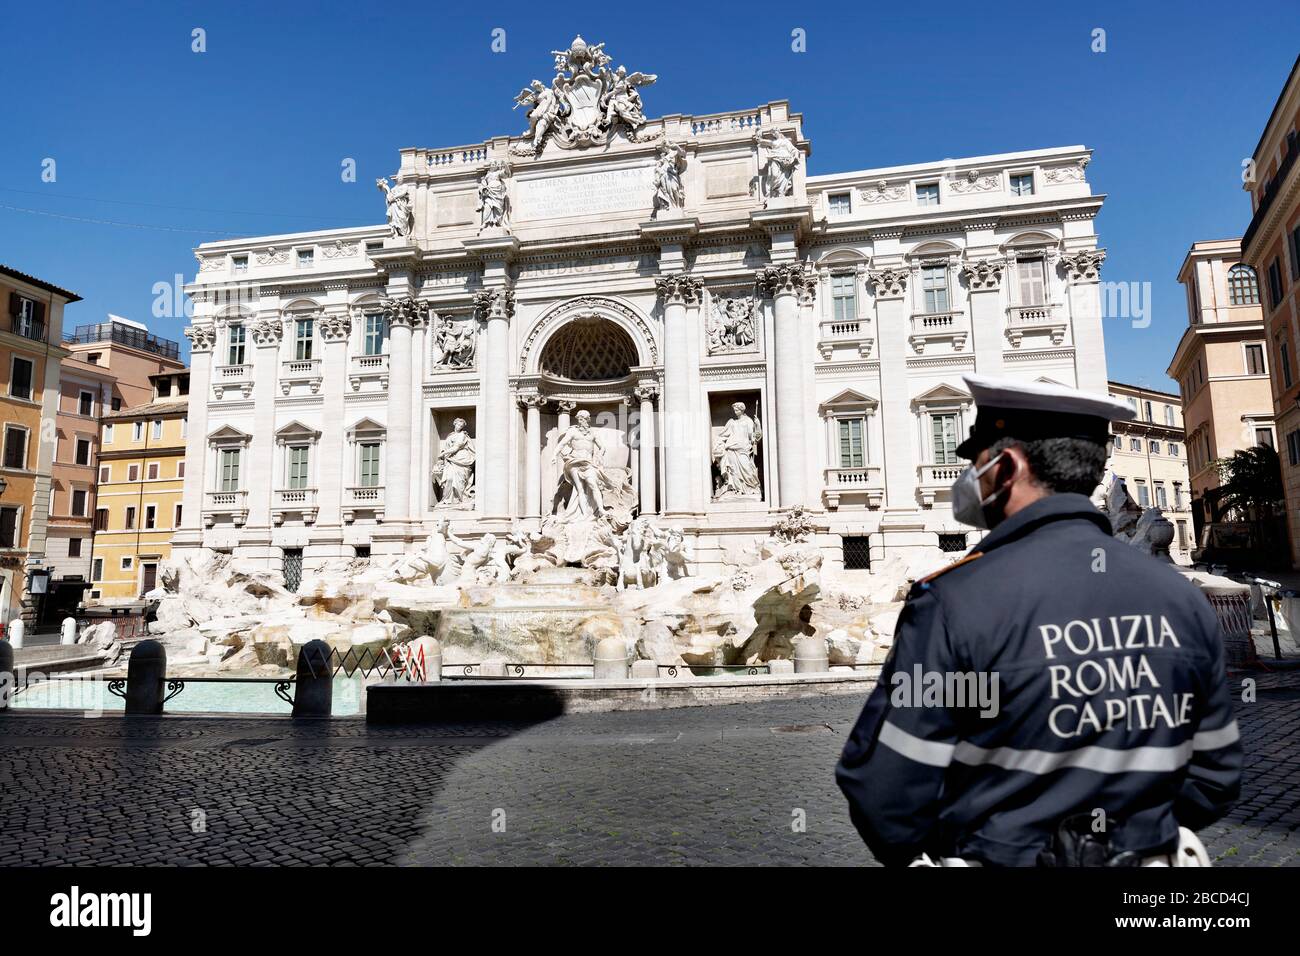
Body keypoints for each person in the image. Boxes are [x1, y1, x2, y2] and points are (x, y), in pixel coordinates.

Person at [836, 374, 1241, 867]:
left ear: (1005, 466)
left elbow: (884, 790)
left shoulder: (952, 602)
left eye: (975, 462)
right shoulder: (1179, 597)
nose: (970, 478)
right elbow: (1216, 774)